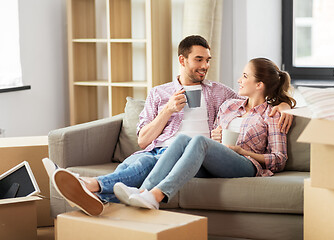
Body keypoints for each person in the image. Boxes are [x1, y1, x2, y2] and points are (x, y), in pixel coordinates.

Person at [48, 36, 293, 216]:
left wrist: (284, 105)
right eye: (199, 59)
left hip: (205, 156)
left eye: (208, 60)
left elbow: (260, 101)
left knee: (160, 156)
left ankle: (93, 185)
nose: (205, 66)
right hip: (161, 150)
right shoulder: (161, 94)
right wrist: (167, 110)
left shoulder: (221, 94)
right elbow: (143, 141)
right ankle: (98, 194)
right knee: (142, 160)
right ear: (182, 60)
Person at [114, 57, 297, 210]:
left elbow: (279, 159)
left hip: (247, 164)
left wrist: (243, 152)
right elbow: (212, 137)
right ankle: (143, 193)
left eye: (244, 76)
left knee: (199, 141)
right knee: (184, 139)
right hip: (219, 158)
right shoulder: (229, 106)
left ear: (259, 84)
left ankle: (156, 194)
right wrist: (215, 137)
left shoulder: (273, 115)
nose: (239, 80)